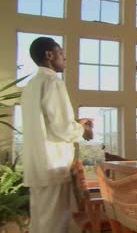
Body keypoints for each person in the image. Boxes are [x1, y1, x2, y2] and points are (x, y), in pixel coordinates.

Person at [21, 37, 93, 233]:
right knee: (55, 225)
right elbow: (62, 128)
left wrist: (76, 123)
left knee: (40, 222)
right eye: (61, 53)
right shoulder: (53, 82)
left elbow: (45, 123)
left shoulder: (30, 86)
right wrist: (83, 129)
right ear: (49, 55)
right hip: (53, 166)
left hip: (37, 167)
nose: (64, 58)